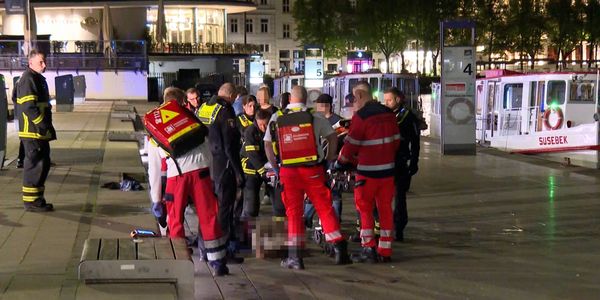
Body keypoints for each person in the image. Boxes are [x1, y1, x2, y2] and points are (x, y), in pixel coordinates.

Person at [264, 85, 350, 270]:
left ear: (289, 100)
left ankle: (295, 257)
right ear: (307, 100)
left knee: (294, 212)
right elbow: (332, 138)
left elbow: (268, 146)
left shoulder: (277, 117)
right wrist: (328, 161)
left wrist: (276, 168)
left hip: (289, 172)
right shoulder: (316, 117)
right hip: (314, 170)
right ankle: (338, 247)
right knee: (324, 207)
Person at [147, 87, 228, 276]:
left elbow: (155, 168)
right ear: (183, 102)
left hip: (177, 175)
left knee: (175, 220)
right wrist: (211, 175)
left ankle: (181, 263)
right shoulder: (190, 118)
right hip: (201, 170)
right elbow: (207, 146)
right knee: (209, 215)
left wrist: (156, 198)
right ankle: (217, 262)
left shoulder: (155, 126)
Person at [335, 81, 400, 263]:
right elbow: (396, 141)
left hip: (367, 172)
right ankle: (385, 251)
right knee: (385, 209)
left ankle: (368, 248)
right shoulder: (389, 114)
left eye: (354, 98)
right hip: (387, 171)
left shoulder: (362, 117)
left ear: (361, 96)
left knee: (364, 209)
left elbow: (351, 145)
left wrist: (340, 162)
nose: (353, 103)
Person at [197, 82, 245, 263]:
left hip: (204, 165)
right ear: (232, 96)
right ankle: (221, 253)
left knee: (207, 210)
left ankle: (203, 248)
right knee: (224, 212)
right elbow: (230, 147)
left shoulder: (203, 108)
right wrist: (238, 172)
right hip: (223, 168)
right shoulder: (226, 111)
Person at [15, 49, 56, 212]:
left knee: (42, 164)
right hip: (32, 131)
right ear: (30, 63)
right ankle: (31, 202)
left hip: (38, 131)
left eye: (44, 61)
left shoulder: (36, 78)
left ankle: (37, 199)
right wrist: (42, 124)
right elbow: (28, 107)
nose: (44, 65)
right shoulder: (28, 79)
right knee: (34, 166)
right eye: (41, 62)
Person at [383, 88, 420, 242]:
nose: (386, 103)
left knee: (399, 197)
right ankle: (386, 226)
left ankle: (399, 228)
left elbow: (416, 141)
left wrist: (414, 161)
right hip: (387, 160)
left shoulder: (408, 116)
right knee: (385, 196)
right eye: (385, 100)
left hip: (401, 161)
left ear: (398, 99)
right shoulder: (386, 115)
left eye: (389, 100)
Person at [304, 93, 343, 227]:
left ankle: (335, 220)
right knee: (315, 191)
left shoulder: (338, 122)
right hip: (317, 161)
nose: (317, 108)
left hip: (331, 161)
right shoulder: (314, 119)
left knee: (334, 192)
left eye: (319, 105)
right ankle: (307, 218)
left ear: (327, 106)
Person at [240, 109, 285, 218]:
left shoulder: (276, 130)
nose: (264, 128)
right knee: (251, 207)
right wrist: (262, 171)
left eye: (266, 124)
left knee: (280, 206)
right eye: (261, 125)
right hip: (252, 169)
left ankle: (280, 230)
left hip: (272, 169)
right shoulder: (250, 131)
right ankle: (247, 232)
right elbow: (253, 155)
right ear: (256, 122)